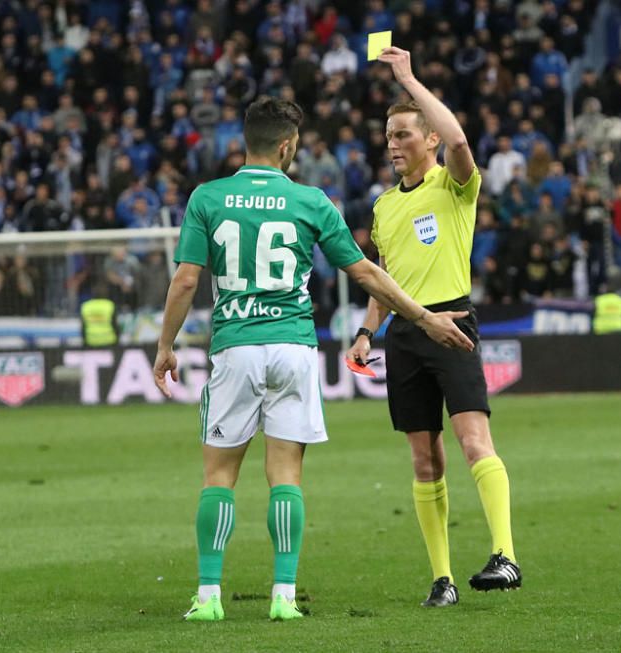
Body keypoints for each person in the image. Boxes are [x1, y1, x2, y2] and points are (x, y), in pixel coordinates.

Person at [151, 97, 473, 623]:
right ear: (286, 146)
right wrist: (424, 317)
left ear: (245, 141)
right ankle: (283, 595)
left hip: (235, 346)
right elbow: (366, 273)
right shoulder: (312, 201)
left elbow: (186, 279)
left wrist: (165, 347)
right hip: (294, 348)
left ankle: (208, 597)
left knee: (219, 478)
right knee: (286, 476)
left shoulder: (207, 197)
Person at [346, 46, 521, 608]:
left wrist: (410, 80)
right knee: (425, 458)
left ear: (428, 140)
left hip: (454, 322)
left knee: (474, 442)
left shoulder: (454, 185)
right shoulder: (382, 207)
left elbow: (463, 141)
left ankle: (505, 555)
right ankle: (442, 580)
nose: (392, 145)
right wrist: (366, 333)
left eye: (402, 135)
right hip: (403, 334)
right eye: (388, 136)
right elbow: (385, 281)